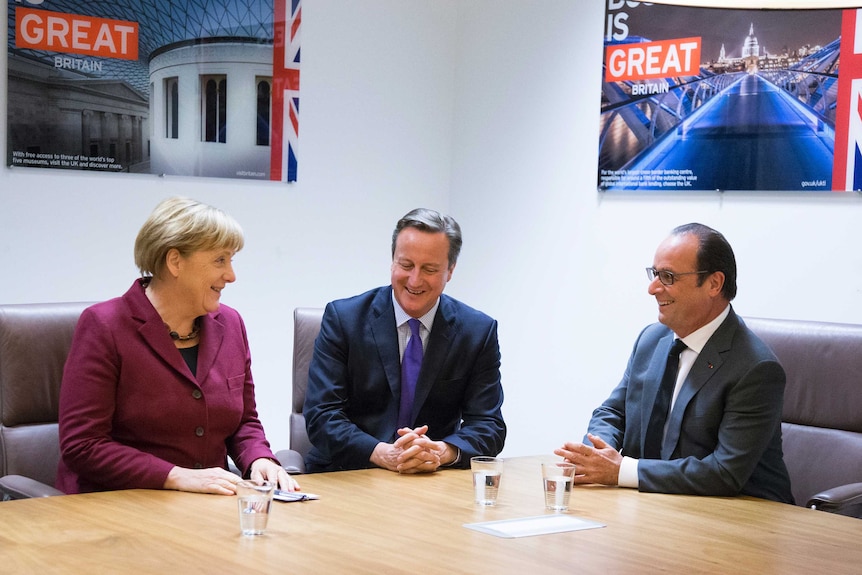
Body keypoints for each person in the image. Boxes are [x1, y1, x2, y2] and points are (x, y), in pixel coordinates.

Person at [57, 197, 298, 495]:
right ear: (175, 262)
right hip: (118, 506)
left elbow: (244, 421)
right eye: (220, 260)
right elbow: (83, 445)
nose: (231, 276)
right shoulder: (104, 326)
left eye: (231, 261)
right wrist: (174, 476)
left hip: (209, 509)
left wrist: (258, 458)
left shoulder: (231, 324)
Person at [556, 223, 793, 503]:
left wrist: (622, 471)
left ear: (714, 284)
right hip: (658, 503)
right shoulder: (651, 340)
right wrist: (595, 454)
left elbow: (724, 473)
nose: (653, 288)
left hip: (741, 517)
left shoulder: (756, 368)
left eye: (668, 277)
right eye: (654, 273)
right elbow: (613, 412)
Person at [303, 208, 506, 473]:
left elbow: (489, 425)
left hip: (432, 479)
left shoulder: (477, 332)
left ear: (450, 270)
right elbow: (322, 415)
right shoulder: (344, 319)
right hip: (350, 472)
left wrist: (442, 451)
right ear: (392, 261)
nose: (414, 280)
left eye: (430, 269)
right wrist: (383, 453)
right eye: (406, 265)